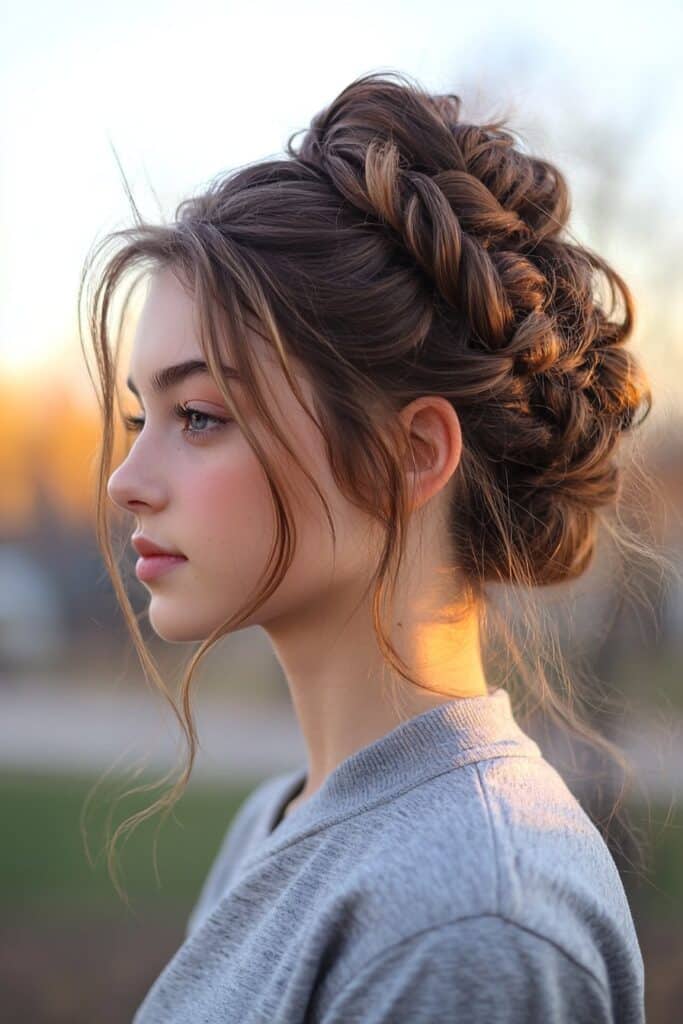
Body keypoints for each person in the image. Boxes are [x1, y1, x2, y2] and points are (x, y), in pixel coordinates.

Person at [84, 69, 650, 1022]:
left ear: (410, 453)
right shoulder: (287, 817)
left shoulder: (473, 917)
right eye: (142, 416)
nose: (125, 479)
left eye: (199, 415)